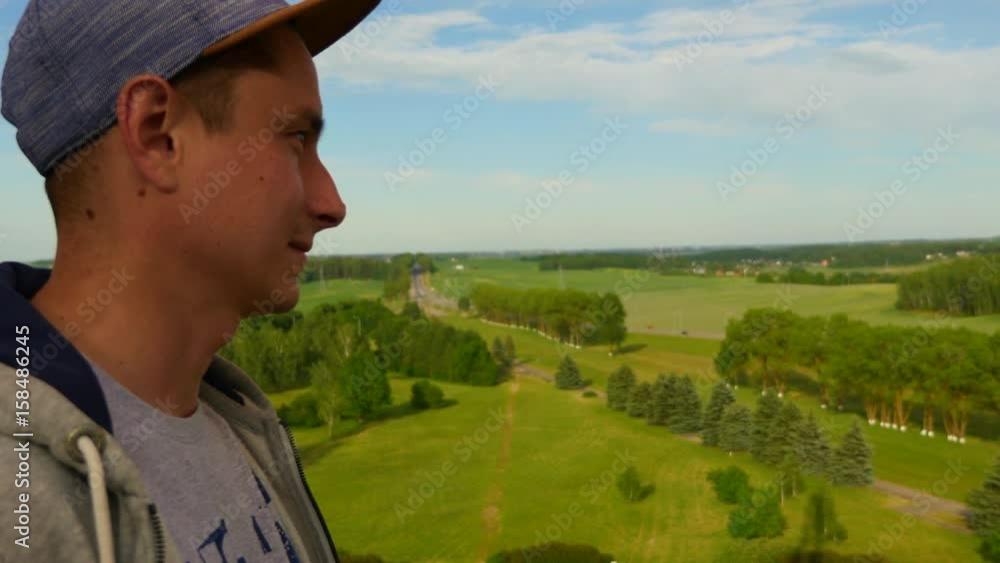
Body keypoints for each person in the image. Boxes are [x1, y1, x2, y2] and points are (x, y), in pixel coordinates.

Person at [0, 1, 381, 561]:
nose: (333, 204)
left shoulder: (237, 418)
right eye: (296, 138)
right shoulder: (19, 510)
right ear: (157, 135)